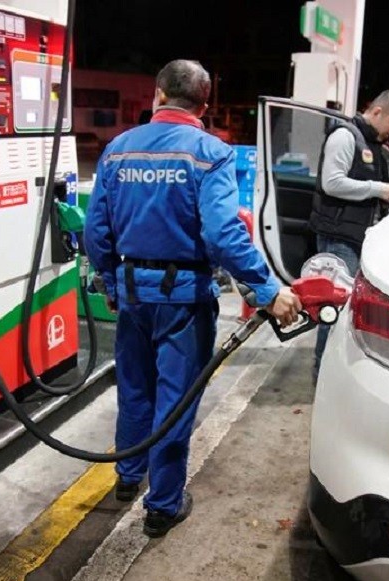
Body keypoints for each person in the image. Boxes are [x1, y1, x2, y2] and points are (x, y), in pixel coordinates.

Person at [84, 59, 301, 538]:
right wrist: (267, 289)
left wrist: (113, 284)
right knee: (175, 402)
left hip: (134, 295)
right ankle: (161, 505)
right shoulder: (210, 153)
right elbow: (224, 233)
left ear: (158, 93)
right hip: (184, 302)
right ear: (205, 104)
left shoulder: (118, 149)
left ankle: (127, 477)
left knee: (135, 389)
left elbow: (95, 232)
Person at [308, 89, 389, 383]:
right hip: (339, 238)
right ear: (377, 112)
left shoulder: (372, 143)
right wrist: (378, 189)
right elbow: (332, 183)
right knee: (333, 307)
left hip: (354, 237)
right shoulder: (346, 137)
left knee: (344, 310)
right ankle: (322, 376)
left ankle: (332, 371)